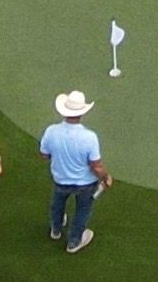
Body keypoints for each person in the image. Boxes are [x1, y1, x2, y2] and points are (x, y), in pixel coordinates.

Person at [40, 89, 112, 254]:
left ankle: (56, 229)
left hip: (60, 179)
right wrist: (106, 178)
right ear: (82, 113)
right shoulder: (89, 137)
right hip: (85, 183)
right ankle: (74, 241)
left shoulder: (51, 131)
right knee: (83, 209)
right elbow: (96, 166)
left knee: (58, 203)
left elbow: (44, 155)